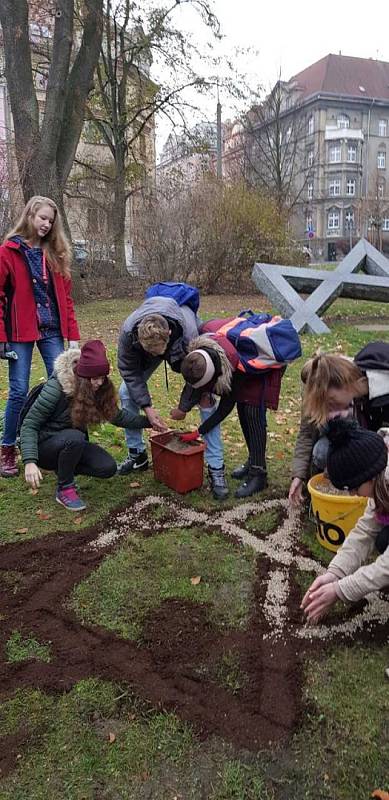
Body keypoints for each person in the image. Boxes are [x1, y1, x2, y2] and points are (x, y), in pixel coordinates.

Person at [20, 340, 166, 512]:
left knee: (107, 467)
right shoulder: (55, 389)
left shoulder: (97, 390)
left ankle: (64, 468)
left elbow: (118, 417)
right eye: (94, 378)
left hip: (72, 444)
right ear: (82, 376)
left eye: (103, 378)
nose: (99, 382)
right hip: (44, 446)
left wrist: (150, 422)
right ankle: (65, 488)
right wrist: (30, 461)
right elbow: (29, 425)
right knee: (75, 437)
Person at [0, 196, 79, 478]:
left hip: (52, 331)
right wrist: (1, 337)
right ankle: (8, 447)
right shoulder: (9, 251)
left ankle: (57, 440)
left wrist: (73, 336)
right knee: (19, 390)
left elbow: (66, 300)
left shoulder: (55, 253)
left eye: (51, 220)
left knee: (63, 385)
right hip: (19, 332)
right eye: (43, 218)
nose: (47, 224)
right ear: (30, 215)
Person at [172, 319, 285, 498]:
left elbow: (225, 408)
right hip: (244, 360)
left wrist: (199, 431)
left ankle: (258, 474)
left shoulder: (233, 368)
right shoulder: (200, 345)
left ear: (215, 376)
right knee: (244, 407)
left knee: (251, 410)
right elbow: (194, 379)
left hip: (265, 359)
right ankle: (253, 460)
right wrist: (183, 407)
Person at [301, 417, 389, 624]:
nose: (353, 495)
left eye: (354, 488)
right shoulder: (380, 474)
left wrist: (341, 590)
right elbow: (365, 532)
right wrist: (335, 573)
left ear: (369, 477)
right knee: (382, 538)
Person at [288, 348, 389, 505]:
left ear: (345, 384)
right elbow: (306, 434)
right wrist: (298, 475)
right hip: (368, 442)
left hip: (376, 442)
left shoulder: (379, 391)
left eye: (331, 402)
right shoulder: (325, 392)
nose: (331, 412)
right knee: (322, 452)